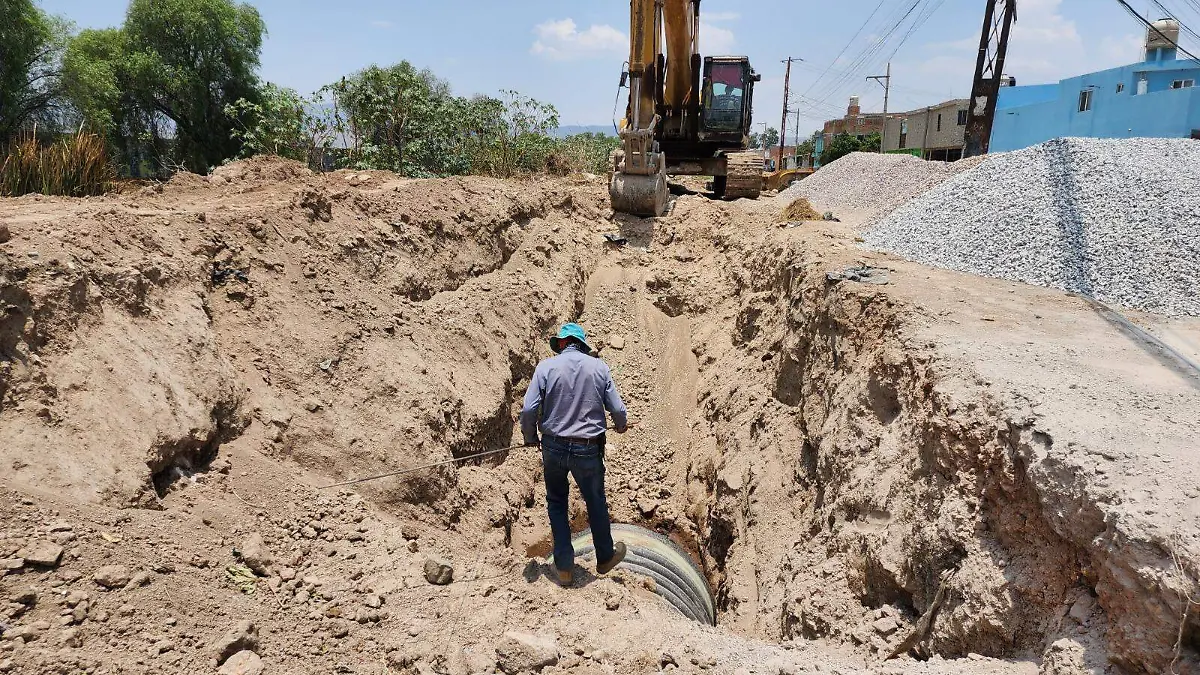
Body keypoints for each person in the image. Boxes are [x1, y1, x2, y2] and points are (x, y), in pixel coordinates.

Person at [520, 323, 628, 585]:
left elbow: (528, 409)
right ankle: (604, 557)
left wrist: (530, 437)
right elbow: (617, 408)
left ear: (561, 344)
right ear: (582, 345)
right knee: (595, 501)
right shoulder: (599, 368)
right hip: (588, 447)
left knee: (557, 502)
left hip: (553, 446)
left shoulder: (545, 367)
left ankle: (565, 567)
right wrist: (621, 424)